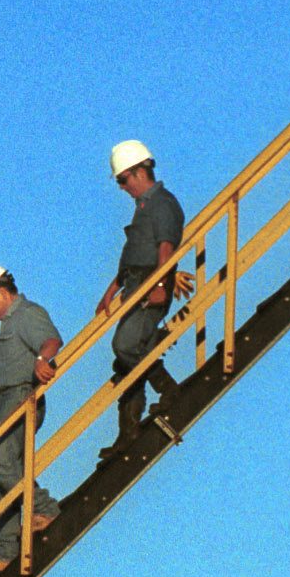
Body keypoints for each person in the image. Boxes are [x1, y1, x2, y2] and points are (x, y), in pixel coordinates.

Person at [0, 264, 61, 577]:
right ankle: (6, 551)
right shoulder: (10, 323)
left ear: (2, 292)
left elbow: (50, 341)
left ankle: (44, 507)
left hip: (22, 399)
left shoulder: (27, 314)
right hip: (5, 401)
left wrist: (42, 361)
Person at [95, 139, 186, 461]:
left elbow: (166, 247)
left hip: (151, 283)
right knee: (126, 361)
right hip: (136, 283)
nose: (121, 187)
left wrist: (160, 283)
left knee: (126, 345)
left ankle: (169, 389)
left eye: (122, 179)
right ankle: (128, 432)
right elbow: (131, 255)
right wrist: (111, 291)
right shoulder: (143, 208)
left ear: (139, 171)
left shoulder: (163, 204)